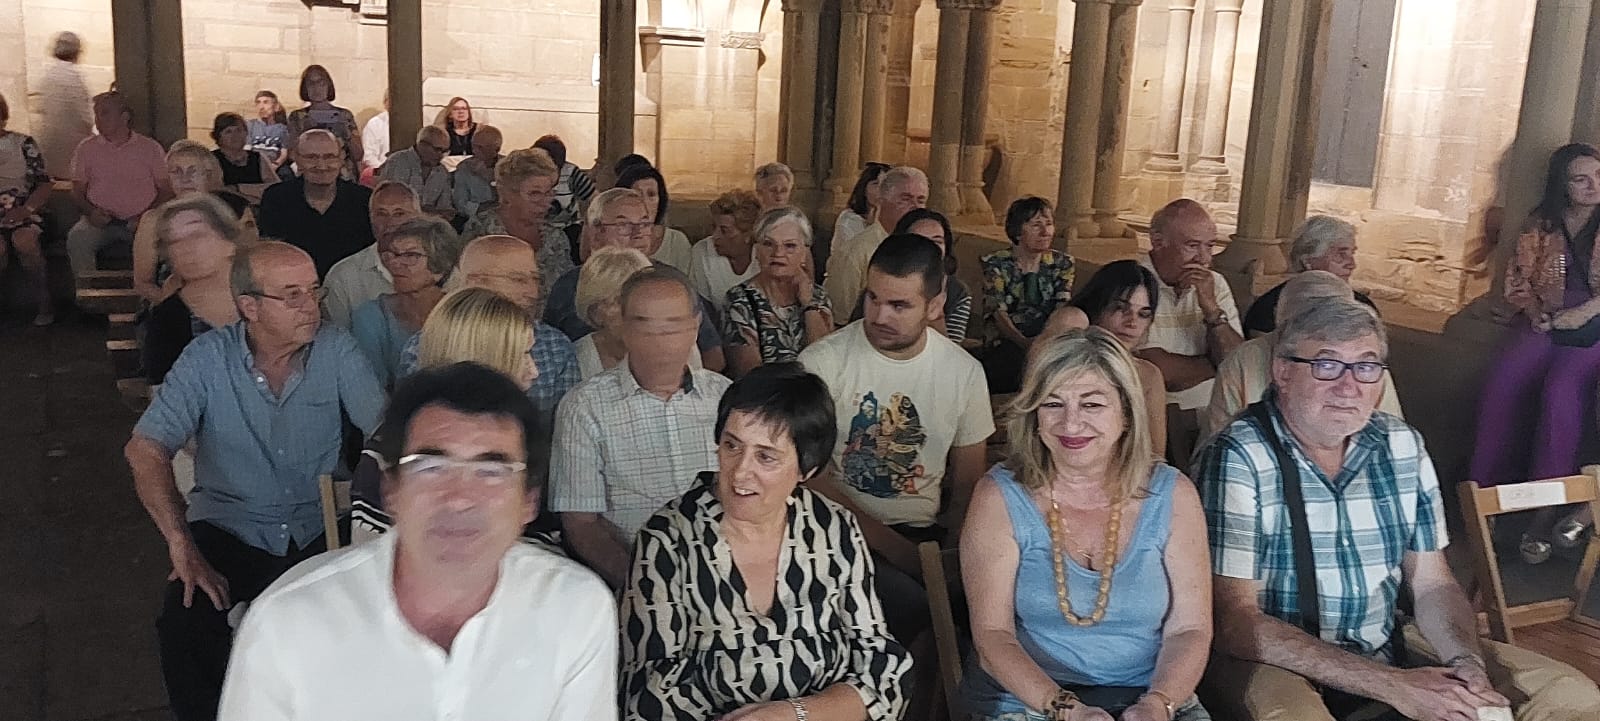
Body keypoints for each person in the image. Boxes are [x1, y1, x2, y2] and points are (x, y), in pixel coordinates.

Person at [1194, 301, 1600, 721]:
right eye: (1327, 365)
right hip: (1278, 658)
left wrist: (1466, 664)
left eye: (1366, 367)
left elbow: (1432, 583)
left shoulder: (1400, 444)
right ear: (1283, 371)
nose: (1349, 387)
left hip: (1385, 640)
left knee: (1567, 695)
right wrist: (1393, 685)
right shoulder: (1239, 455)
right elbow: (1236, 622)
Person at [217, 363, 617, 721]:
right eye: (430, 466)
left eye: (491, 470)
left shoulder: (573, 608)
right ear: (390, 489)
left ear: (529, 500)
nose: (459, 498)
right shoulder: (289, 621)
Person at [124, 241, 384, 721]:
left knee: (357, 629)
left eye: (314, 290)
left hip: (320, 527)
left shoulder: (336, 348)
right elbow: (145, 449)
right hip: (231, 526)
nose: (311, 306)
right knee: (184, 623)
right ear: (249, 306)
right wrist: (181, 544)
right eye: (292, 295)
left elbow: (385, 433)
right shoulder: (207, 358)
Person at [620, 363, 913, 721]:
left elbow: (882, 668)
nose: (740, 472)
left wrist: (794, 714)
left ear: (806, 470)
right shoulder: (668, 539)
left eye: (766, 456)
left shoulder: (833, 527)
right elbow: (648, 696)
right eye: (732, 445)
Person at [960, 329, 1212, 721]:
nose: (1071, 423)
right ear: (1034, 415)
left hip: (1153, 695)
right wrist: (1069, 711)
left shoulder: (1173, 494)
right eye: (1053, 404)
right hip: (1029, 699)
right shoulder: (999, 495)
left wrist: (1157, 704)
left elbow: (1190, 629)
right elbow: (993, 637)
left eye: (1092, 404)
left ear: (1126, 414)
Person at [799, 234, 994, 714]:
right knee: (917, 610)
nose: (880, 315)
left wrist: (950, 562)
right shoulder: (822, 363)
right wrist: (898, 551)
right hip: (832, 536)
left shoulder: (964, 372)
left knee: (983, 617)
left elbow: (968, 484)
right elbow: (808, 475)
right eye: (873, 298)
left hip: (924, 538)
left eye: (899, 305)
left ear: (935, 305)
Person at [551, 266, 732, 589]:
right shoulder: (584, 406)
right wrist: (645, 586)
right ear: (623, 325)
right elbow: (581, 522)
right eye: (643, 324)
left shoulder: (725, 398)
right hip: (635, 581)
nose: (659, 339)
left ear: (695, 326)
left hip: (728, 574)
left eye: (672, 325)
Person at [1472, 142, 1600, 562]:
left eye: (1598, 176)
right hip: (1545, 318)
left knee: (1560, 394)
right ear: (1563, 185)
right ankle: (1484, 500)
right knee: (1503, 384)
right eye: (1581, 179)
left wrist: (1582, 313)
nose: (1593, 186)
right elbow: (1518, 278)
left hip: (1595, 325)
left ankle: (1542, 515)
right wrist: (1534, 311)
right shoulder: (1542, 223)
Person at [350, 287, 546, 547]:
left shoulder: (520, 438)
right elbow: (372, 558)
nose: (534, 371)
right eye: (523, 355)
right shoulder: (394, 446)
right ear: (489, 360)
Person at [397, 234, 580, 425]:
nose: (532, 292)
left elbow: (566, 429)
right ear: (474, 282)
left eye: (535, 279)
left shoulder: (556, 346)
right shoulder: (425, 346)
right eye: (518, 279)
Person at [544, 187, 728, 372]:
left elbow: (713, 354)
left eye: (645, 224)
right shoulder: (569, 286)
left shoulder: (672, 282)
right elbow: (549, 349)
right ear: (596, 232)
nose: (638, 233)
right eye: (623, 225)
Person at [1205, 271, 1403, 441]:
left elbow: (1390, 437)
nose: (1347, 387)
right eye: (1325, 364)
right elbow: (1218, 444)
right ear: (1278, 318)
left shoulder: (1369, 369)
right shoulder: (1243, 361)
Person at [1136, 198, 1243, 464]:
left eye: (1210, 246)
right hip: (1154, 419)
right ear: (1158, 242)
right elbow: (1156, 371)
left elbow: (1236, 362)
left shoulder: (1215, 285)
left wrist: (1211, 310)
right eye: (1192, 246)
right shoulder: (1132, 282)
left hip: (1216, 416)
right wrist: (1213, 364)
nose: (1204, 259)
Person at [1035, 260, 1171, 456]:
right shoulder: (1068, 339)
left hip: (1124, 473)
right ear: (1096, 306)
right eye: (1120, 308)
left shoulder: (1147, 376)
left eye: (1143, 314)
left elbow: (1155, 457)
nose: (1132, 322)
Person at [140, 195, 250, 388]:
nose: (185, 249)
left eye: (197, 236)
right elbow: (164, 395)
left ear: (229, 240)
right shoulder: (167, 318)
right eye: (174, 242)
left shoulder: (271, 296)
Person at [132, 141, 253, 304]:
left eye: (193, 171)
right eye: (176, 172)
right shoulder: (153, 219)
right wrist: (178, 309)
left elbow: (249, 267)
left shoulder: (234, 213)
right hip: (169, 305)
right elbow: (142, 283)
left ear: (209, 175)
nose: (185, 179)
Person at [67, 91, 171, 281]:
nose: (98, 120)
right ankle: (88, 294)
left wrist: (145, 217)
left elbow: (166, 190)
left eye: (105, 113)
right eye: (96, 114)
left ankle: (153, 293)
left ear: (124, 117)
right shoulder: (86, 148)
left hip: (142, 221)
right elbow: (77, 190)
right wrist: (91, 212)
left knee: (164, 243)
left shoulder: (150, 148)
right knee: (78, 238)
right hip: (100, 221)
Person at [980, 196, 1077, 392]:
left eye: (1049, 224)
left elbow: (1061, 306)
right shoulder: (995, 263)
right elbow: (998, 311)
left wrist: (1044, 342)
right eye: (1036, 225)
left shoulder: (1062, 263)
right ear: (1017, 231)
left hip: (1049, 339)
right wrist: (1024, 343)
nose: (1045, 232)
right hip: (1008, 341)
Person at [724, 207, 833, 377]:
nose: (778, 253)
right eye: (768, 244)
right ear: (756, 250)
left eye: (790, 246)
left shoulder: (818, 297)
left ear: (804, 253)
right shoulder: (739, 300)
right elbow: (749, 374)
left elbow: (827, 363)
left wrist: (808, 305)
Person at [350, 217, 455, 387]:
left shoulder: (462, 312)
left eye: (411, 255)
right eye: (392, 254)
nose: (395, 263)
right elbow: (371, 387)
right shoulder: (371, 316)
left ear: (440, 265)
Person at [257, 129, 375, 278]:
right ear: (296, 159)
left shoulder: (365, 199)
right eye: (311, 157)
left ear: (341, 159)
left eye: (329, 157)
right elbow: (270, 253)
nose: (321, 165)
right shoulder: (276, 198)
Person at [574, 246, 703, 379]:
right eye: (620, 300)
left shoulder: (680, 346)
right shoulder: (577, 358)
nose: (635, 310)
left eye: (643, 300)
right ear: (595, 312)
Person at [849, 207, 973, 343]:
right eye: (918, 240)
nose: (928, 248)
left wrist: (936, 312)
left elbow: (950, 349)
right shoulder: (880, 283)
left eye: (937, 242)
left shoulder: (958, 292)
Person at [823, 165, 928, 322]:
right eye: (905, 199)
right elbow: (839, 318)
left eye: (921, 200)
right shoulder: (855, 253)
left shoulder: (925, 251)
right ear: (882, 201)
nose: (915, 208)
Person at [1242, 215, 1376, 336]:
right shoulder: (1269, 309)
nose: (1352, 264)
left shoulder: (1362, 305)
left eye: (1352, 253)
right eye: (1341, 254)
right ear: (1307, 262)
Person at [463, 147, 574, 284]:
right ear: (507, 194)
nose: (545, 202)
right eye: (535, 193)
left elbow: (568, 286)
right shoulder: (481, 230)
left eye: (549, 193)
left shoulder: (555, 237)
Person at [321, 181, 423, 329]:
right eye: (381, 214)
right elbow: (335, 336)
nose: (390, 222)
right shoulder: (343, 276)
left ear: (418, 217)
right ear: (370, 218)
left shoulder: (441, 267)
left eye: (399, 214)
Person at [0, 91, 54, 325]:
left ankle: (44, 301)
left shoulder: (23, 144)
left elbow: (44, 183)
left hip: (25, 210)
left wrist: (26, 209)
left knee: (24, 241)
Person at [689, 189, 762, 313]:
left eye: (724, 230)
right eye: (714, 227)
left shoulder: (764, 253)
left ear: (748, 234)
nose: (715, 236)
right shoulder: (703, 251)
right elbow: (703, 309)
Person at [285, 65, 362, 181]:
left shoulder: (345, 115)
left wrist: (345, 130)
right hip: (310, 173)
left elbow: (358, 154)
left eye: (321, 83)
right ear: (305, 88)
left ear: (328, 85)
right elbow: (291, 154)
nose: (316, 88)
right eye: (311, 84)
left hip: (343, 174)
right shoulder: (297, 117)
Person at [35, 31, 93, 180]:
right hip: (72, 146)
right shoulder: (74, 77)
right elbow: (85, 117)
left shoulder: (48, 76)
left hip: (49, 145)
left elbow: (42, 109)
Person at [616, 163, 692, 271]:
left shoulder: (676, 241)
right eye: (637, 194)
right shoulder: (614, 237)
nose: (645, 201)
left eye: (651, 194)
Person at [378, 125, 454, 220]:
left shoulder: (442, 172)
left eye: (445, 151)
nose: (441, 156)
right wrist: (428, 212)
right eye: (437, 150)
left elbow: (446, 210)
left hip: (430, 225)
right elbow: (392, 203)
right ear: (422, 145)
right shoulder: (398, 162)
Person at [210, 112, 276, 203]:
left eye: (239, 130)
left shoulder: (258, 158)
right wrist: (251, 199)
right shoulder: (211, 159)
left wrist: (239, 188)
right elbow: (218, 190)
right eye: (228, 132)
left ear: (246, 133)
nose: (235, 136)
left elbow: (275, 187)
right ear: (218, 137)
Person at [534, 134, 595, 232]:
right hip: (536, 229)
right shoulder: (528, 173)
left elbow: (594, 198)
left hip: (569, 229)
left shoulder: (571, 173)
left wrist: (588, 225)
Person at [452, 124, 502, 220]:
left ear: (496, 149)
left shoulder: (508, 166)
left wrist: (490, 178)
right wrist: (484, 208)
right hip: (476, 219)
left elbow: (514, 198)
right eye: (473, 146)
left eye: (480, 148)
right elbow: (460, 203)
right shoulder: (464, 167)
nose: (475, 151)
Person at [837, 162, 891, 251]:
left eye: (885, 185)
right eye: (875, 184)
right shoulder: (849, 219)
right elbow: (859, 252)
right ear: (864, 188)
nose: (881, 189)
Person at [246, 91, 291, 180]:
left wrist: (275, 165)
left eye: (266, 102)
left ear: (276, 107)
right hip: (255, 163)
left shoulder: (282, 129)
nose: (261, 107)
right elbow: (246, 149)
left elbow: (284, 153)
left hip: (275, 165)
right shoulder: (250, 125)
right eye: (258, 103)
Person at [360, 90, 390, 178]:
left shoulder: (413, 122)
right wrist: (385, 172)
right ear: (385, 103)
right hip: (382, 174)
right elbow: (369, 156)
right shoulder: (375, 124)